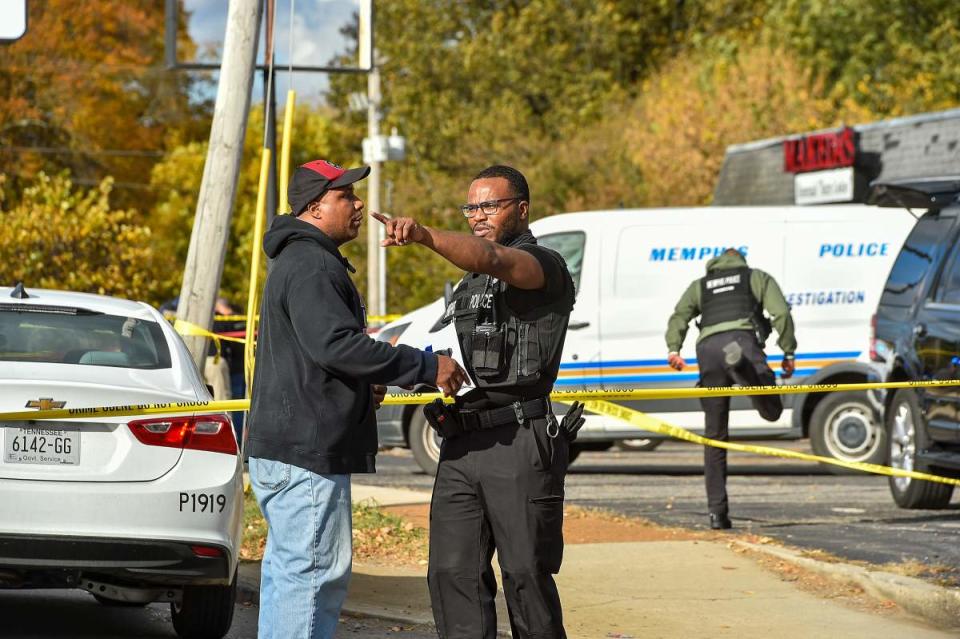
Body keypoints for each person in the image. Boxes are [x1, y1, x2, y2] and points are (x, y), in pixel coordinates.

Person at [245, 159, 467, 639]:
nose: (358, 203)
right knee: (309, 579)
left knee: (296, 577)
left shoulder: (302, 260)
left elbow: (319, 354)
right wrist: (427, 367)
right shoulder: (310, 264)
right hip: (306, 452)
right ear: (315, 206)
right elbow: (336, 345)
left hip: (295, 446)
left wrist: (361, 384)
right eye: (346, 195)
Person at [373, 164, 578, 639]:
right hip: (464, 443)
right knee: (452, 575)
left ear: (521, 210)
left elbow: (494, 259)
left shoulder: (542, 264)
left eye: (490, 205)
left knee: (526, 576)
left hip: (520, 439)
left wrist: (423, 234)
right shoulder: (469, 283)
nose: (478, 215)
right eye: (471, 207)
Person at [665, 248, 796, 530]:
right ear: (740, 261)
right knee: (772, 411)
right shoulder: (755, 277)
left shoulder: (701, 285)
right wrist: (789, 351)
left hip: (707, 350)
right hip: (741, 342)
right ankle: (742, 369)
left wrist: (673, 348)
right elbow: (781, 312)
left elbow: (679, 316)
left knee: (715, 437)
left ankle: (717, 514)